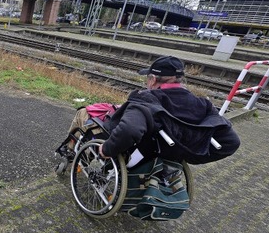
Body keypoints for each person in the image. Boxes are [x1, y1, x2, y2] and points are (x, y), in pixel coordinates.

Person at [97, 56, 240, 165]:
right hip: (172, 153)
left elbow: (129, 131)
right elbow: (231, 141)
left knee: (89, 119)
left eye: (148, 79)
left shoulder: (146, 100)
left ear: (152, 79)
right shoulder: (202, 104)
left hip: (141, 153)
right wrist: (189, 155)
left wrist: (106, 149)